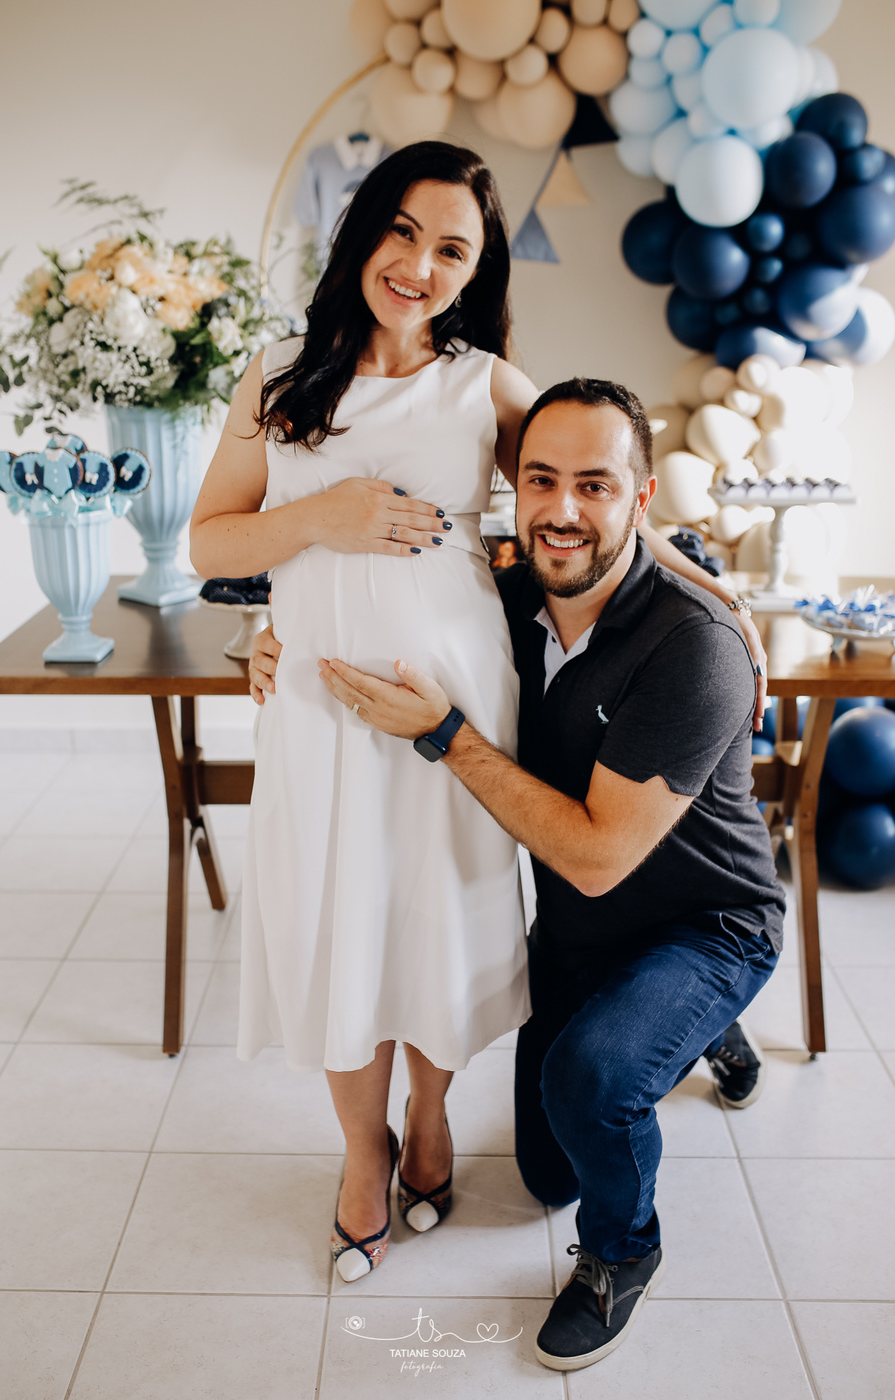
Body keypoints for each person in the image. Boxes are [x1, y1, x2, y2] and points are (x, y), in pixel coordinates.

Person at [192, 139, 766, 1288]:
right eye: (403, 231)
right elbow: (211, 540)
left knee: (434, 920)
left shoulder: (483, 382)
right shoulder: (279, 374)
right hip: (318, 710)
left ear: (475, 269)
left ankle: (430, 1113)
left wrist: (714, 592)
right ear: (365, 229)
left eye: (452, 249)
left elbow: (591, 483)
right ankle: (363, 1151)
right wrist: (322, 521)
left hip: (453, 713)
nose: (420, 264)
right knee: (338, 924)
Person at [305, 377, 784, 1369]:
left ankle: (624, 1250)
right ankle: (687, 1032)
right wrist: (273, 645)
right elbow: (375, 613)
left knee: (592, 1082)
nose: (562, 509)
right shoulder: (508, 599)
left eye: (595, 485)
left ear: (640, 500)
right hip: (582, 931)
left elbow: (595, 857)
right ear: (512, 488)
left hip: (706, 923)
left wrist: (447, 733)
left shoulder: (694, 648)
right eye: (541, 480)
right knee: (544, 1173)